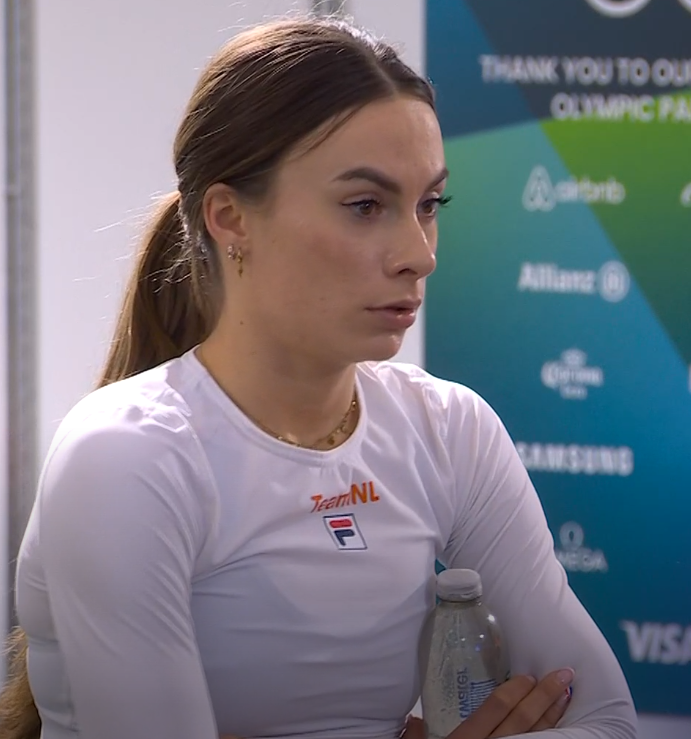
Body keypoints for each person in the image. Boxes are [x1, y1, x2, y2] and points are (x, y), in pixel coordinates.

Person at [0, 15, 637, 739]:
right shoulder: (126, 454)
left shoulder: (448, 428)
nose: (419, 253)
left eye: (429, 205)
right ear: (230, 218)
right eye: (365, 206)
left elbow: (606, 720)